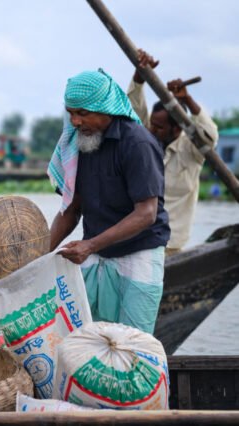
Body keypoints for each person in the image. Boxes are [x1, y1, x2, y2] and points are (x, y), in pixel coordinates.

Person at [48, 69, 170, 334]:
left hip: (139, 254)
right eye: (70, 113)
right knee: (87, 338)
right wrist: (38, 256)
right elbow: (72, 209)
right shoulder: (79, 142)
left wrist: (89, 245)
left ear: (105, 108)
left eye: (82, 113)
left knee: (132, 342)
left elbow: (146, 214)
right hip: (96, 254)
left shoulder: (137, 143)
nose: (75, 121)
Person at [127, 49, 219, 254]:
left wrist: (186, 99)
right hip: (137, 238)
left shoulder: (192, 148)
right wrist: (139, 76)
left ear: (177, 129)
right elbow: (132, 111)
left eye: (159, 127)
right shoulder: (146, 141)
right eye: (152, 124)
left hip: (172, 242)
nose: (152, 129)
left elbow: (210, 135)